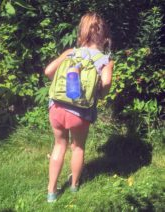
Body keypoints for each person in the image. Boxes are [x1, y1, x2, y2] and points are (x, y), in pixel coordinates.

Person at [44, 12, 114, 202]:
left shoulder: (70, 53)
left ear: (82, 32)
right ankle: (74, 186)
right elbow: (106, 83)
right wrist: (100, 93)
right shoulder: (105, 60)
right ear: (104, 35)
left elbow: (48, 71)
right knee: (78, 147)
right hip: (80, 112)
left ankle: (51, 192)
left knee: (59, 145)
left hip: (57, 107)